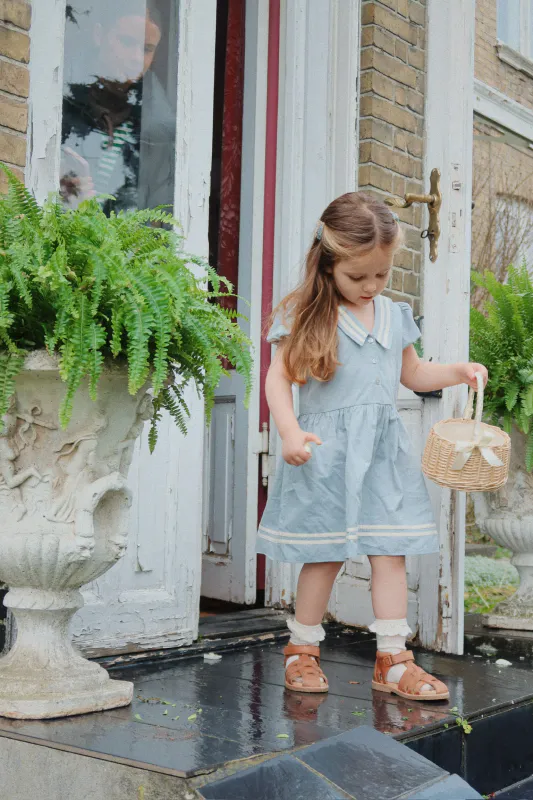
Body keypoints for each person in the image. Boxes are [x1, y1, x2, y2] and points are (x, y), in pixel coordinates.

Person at [258, 192, 488, 701]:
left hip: (383, 455)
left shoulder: (393, 315)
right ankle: (302, 650)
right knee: (324, 555)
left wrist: (457, 371)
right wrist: (290, 432)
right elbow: (278, 379)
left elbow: (413, 372)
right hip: (325, 453)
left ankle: (393, 658)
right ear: (328, 263)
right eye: (357, 277)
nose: (370, 287)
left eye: (380, 276)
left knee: (391, 553)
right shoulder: (305, 314)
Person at [60, 1, 175, 213]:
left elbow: (156, 222)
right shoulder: (60, 94)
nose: (136, 58)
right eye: (126, 42)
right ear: (98, 35)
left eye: (146, 49)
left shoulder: (159, 127)